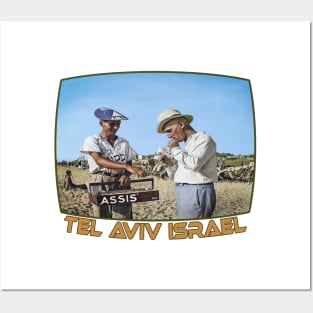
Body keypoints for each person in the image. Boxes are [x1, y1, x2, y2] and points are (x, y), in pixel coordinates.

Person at [81, 107, 145, 219]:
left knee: (123, 216)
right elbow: (99, 160)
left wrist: (126, 174)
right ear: (101, 123)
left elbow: (128, 160)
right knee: (101, 215)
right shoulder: (92, 140)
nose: (116, 127)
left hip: (121, 181)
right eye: (112, 124)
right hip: (100, 180)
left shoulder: (123, 142)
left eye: (118, 124)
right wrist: (126, 166)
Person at [156, 109, 217, 219]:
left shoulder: (203, 139)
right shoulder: (188, 144)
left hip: (196, 190)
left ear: (181, 124)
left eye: (169, 130)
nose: (168, 136)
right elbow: (178, 175)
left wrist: (175, 149)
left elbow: (194, 164)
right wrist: (169, 165)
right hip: (186, 191)